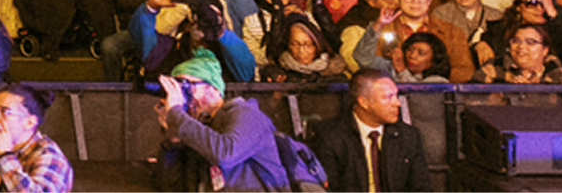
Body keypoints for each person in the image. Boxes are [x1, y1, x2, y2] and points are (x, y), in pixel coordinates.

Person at [160, 53, 289, 193]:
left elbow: (225, 155)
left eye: (186, 87)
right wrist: (172, 142)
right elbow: (173, 188)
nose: (181, 97)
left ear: (214, 89)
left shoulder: (246, 114)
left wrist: (177, 116)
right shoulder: (197, 133)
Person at [307, 71, 435, 193]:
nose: (397, 103)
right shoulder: (330, 136)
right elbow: (327, 189)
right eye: (388, 97)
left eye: (396, 96)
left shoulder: (408, 135)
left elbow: (421, 188)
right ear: (364, 102)